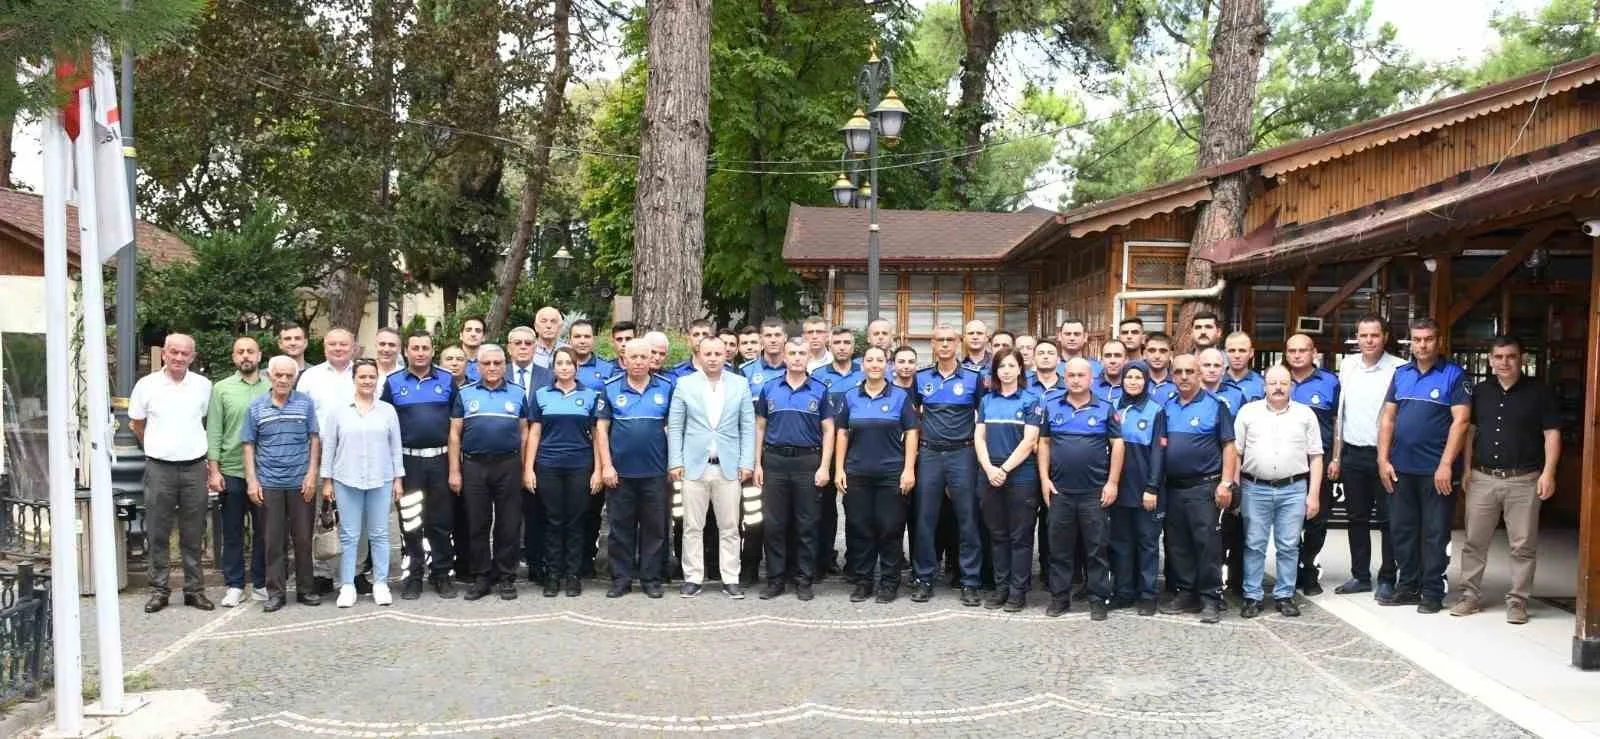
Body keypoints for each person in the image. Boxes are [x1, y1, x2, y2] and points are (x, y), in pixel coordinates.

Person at [1454, 336, 1560, 624]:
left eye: (1511, 356)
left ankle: (1518, 601)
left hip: (1524, 480)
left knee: (1523, 545)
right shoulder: (1479, 392)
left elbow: (1552, 434)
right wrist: (1465, 470)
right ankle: (1469, 596)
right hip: (1482, 477)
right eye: (1498, 357)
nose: (1504, 362)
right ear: (1490, 360)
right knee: (1474, 541)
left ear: (1521, 359)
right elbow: (1470, 433)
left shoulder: (1540, 392)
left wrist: (1548, 472)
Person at [1378, 318, 1471, 614]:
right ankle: (1407, 586)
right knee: (1402, 531)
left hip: (1436, 472)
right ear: (1410, 342)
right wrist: (1382, 459)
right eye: (1417, 340)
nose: (1422, 345)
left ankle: (1432, 591)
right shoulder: (1401, 374)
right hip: (1401, 468)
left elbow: (1462, 421)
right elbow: (1388, 419)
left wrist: (1446, 464)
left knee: (1435, 532)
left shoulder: (1454, 375)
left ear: (1438, 341)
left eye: (1428, 339)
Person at [131, 333, 216, 613]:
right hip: (159, 468)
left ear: (192, 357)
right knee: (158, 531)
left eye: (185, 353)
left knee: (193, 532)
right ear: (164, 354)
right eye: (174, 352)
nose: (179, 357)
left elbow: (206, 422)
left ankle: (194, 590)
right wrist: (156, 447)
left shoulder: (203, 386)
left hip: (194, 467)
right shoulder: (147, 385)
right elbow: (137, 424)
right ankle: (159, 589)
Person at [668, 337, 756, 598]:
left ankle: (731, 578)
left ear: (726, 355)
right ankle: (693, 577)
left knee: (729, 526)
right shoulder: (684, 384)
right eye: (708, 353)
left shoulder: (740, 384)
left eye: (719, 353)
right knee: (692, 526)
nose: (714, 358)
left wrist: (746, 462)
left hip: (728, 466)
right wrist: (676, 461)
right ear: (699, 354)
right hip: (694, 467)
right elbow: (676, 426)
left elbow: (748, 426)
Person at [1234, 366, 1324, 618]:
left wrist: (1313, 494)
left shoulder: (1305, 415)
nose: (1278, 387)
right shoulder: (1248, 413)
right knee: (1254, 544)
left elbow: (1316, 456)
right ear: (1264, 386)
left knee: (1289, 545)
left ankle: (1285, 595)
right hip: (1255, 487)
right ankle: (1252, 596)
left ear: (1291, 386)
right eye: (1272, 382)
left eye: (1283, 383)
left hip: (1293, 489)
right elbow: (1236, 453)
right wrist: (1235, 490)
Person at [834, 345, 920, 604]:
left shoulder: (900, 397)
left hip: (891, 474)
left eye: (879, 360)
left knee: (890, 529)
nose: (874, 364)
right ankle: (863, 581)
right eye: (869, 360)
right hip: (858, 473)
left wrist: (908, 469)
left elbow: (913, 433)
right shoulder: (850, 397)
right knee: (861, 529)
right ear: (863, 366)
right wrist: (839, 469)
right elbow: (842, 434)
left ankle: (889, 582)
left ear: (887, 365)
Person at [1038, 357, 1121, 620]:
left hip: (1094, 492)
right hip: (1060, 491)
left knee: (1096, 549)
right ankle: (1059, 598)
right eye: (1070, 375)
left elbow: (1118, 445)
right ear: (1065, 377)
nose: (1075, 380)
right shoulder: (1052, 407)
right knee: (1059, 549)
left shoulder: (1105, 408)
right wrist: (1044, 479)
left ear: (1091, 379)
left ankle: (1099, 598)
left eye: (1080, 375)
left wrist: (1113, 482)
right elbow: (1044, 443)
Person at [1158, 354, 1238, 624]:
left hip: (1204, 487)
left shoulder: (1216, 406)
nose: (1183, 376)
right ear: (1172, 375)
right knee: (1178, 544)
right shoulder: (1167, 407)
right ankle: (1186, 593)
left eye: (1189, 371)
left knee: (1206, 545)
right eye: (1178, 371)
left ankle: (1211, 598)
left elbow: (1229, 446)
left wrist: (1226, 483)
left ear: (1199, 374)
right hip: (1174, 488)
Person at [1329, 314, 1404, 599]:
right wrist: (1337, 457)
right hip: (1353, 454)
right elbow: (1341, 414)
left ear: (1385, 336)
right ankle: (1360, 575)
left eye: (1374, 335)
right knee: (1356, 517)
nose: (1369, 341)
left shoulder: (1399, 368)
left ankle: (1388, 577)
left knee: (1388, 520)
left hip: (1386, 456)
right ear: (1356, 338)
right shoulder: (1347, 366)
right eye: (1363, 335)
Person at [381, 331, 460, 599]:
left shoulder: (448, 380)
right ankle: (414, 576)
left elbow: (456, 426)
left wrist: (454, 468)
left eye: (425, 347)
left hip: (439, 460)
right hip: (409, 462)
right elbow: (385, 425)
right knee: (411, 521)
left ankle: (442, 574)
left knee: (440, 522)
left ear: (432, 350)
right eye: (415, 348)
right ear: (406, 351)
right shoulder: (393, 383)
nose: (420, 352)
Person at [754, 338, 835, 601]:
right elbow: (760, 427)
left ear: (809, 356)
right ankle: (776, 579)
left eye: (802, 353)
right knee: (774, 525)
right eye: (793, 353)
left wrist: (824, 466)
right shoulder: (770, 388)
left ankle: (804, 580)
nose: (797, 357)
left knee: (807, 524)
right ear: (785, 357)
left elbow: (829, 430)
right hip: (775, 462)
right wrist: (757, 463)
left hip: (807, 463)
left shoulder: (820, 390)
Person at [449, 345, 531, 601]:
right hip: (474, 465)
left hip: (509, 465)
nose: (493, 368)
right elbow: (454, 435)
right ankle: (482, 576)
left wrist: (525, 466)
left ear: (505, 365)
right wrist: (455, 471)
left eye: (497, 363)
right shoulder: (465, 393)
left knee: (509, 524)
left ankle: (506, 576)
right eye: (487, 363)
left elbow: (525, 432)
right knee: (477, 522)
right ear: (478, 366)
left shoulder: (518, 393)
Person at [911, 323, 985, 605]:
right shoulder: (921, 379)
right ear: (932, 343)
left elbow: (982, 414)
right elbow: (914, 416)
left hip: (962, 454)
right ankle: (924, 578)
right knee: (925, 519)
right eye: (939, 340)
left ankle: (970, 581)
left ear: (958, 343)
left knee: (967, 519)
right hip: (930, 454)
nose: (944, 344)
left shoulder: (973, 378)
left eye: (949, 340)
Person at [320, 359, 404, 608]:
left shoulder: (387, 410)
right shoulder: (338, 411)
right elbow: (330, 448)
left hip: (381, 479)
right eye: (362, 376)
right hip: (347, 479)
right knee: (349, 535)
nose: (367, 381)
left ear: (377, 379)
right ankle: (347, 585)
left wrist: (398, 479)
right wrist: (327, 481)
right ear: (354, 379)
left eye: (371, 376)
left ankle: (380, 583)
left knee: (379, 534)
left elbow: (395, 447)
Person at [241, 356, 321, 611]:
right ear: (269, 376)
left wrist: (311, 475)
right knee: (272, 541)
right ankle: (276, 592)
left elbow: (314, 439)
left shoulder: (306, 404)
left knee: (304, 539)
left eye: (289, 376)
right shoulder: (256, 407)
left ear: (295, 378)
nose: (284, 380)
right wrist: (252, 481)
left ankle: (306, 589)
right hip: (269, 483)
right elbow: (248, 445)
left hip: (300, 483)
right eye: (279, 375)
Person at [596, 339, 674, 598]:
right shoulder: (609, 388)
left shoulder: (666, 387)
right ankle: (621, 579)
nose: (639, 362)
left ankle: (651, 579)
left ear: (652, 359)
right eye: (634, 357)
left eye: (644, 357)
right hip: (621, 473)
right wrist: (606, 465)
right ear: (624, 360)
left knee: (654, 529)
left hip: (655, 472)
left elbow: (674, 428)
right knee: (620, 529)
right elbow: (601, 430)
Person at [524, 347, 602, 598]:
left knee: (576, 522)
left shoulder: (590, 396)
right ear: (553, 367)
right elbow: (534, 433)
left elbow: (597, 436)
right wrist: (528, 469)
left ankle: (573, 575)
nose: (565, 367)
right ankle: (553, 576)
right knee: (553, 521)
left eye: (569, 363)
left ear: (576, 367)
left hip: (580, 466)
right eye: (560, 362)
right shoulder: (542, 394)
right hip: (548, 466)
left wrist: (598, 470)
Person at [975, 349, 1043, 612]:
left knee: (1021, 537)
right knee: (998, 535)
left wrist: (1003, 469)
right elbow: (979, 438)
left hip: (1020, 476)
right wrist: (990, 469)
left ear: (1020, 370)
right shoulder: (987, 401)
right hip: (989, 475)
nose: (1005, 370)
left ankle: (1018, 591)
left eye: (1011, 365)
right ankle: (1001, 588)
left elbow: (1029, 442)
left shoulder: (1030, 399)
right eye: (1001, 366)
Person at [207, 336, 270, 607]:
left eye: (250, 351)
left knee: (264, 531)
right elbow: (214, 431)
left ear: (259, 355)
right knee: (232, 531)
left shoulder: (273, 386)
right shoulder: (221, 389)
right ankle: (234, 584)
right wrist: (214, 470)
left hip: (266, 471)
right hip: (231, 470)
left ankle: (260, 582)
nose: (246, 356)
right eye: (240, 352)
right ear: (234, 357)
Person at [296, 327, 358, 594]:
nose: (338, 348)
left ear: (353, 347)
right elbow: (301, 416)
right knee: (319, 514)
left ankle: (353, 571)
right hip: (318, 453)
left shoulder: (365, 374)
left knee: (354, 515)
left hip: (355, 453)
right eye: (332, 344)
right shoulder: (310, 377)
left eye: (343, 344)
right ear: (324, 348)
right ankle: (320, 572)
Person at [1108, 361, 1164, 616]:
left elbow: (1157, 453)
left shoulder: (1155, 410)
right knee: (1120, 542)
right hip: (1118, 487)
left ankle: (1147, 594)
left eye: (1138, 377)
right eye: (1128, 377)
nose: (1132, 382)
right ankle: (1123, 591)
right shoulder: (1113, 408)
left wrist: (1152, 487)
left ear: (1146, 381)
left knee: (1147, 543)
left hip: (1144, 489)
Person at [1285, 333, 1339, 596]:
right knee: (1289, 521)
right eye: (1292, 350)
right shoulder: (1278, 381)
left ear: (1313, 352)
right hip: (1286, 464)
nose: (1297, 355)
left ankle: (1309, 569)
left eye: (1302, 350)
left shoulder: (1330, 382)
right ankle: (1291, 570)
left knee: (1316, 520)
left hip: (1320, 461)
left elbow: (1340, 421)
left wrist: (1337, 457)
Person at [810, 327, 862, 578]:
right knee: (825, 508)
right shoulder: (818, 376)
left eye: (847, 342)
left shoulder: (863, 373)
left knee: (855, 509)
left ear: (854, 346)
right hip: (827, 450)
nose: (842, 346)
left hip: (858, 450)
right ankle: (824, 558)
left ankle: (855, 561)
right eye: (837, 342)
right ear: (830, 346)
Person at [508, 325, 556, 584]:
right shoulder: (496, 371)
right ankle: (507, 565)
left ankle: (538, 564)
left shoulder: (549, 377)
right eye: (518, 343)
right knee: (506, 514)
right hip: (503, 455)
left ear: (535, 348)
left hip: (539, 457)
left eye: (528, 343)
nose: (524, 347)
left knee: (537, 513)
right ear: (509, 347)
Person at [570, 319, 616, 391]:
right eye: (577, 336)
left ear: (593, 339)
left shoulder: (608, 369)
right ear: (570, 340)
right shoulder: (560, 366)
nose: (582, 341)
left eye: (587, 336)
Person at [743, 318, 788, 386]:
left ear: (785, 337)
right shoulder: (746, 370)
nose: (773, 340)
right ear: (760, 339)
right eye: (768, 335)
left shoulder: (796, 367)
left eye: (777, 335)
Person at [1198, 348, 1244, 413]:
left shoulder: (1237, 395)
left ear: (1223, 370)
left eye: (1217, 366)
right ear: (1198, 368)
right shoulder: (1188, 393)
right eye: (1207, 365)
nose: (1212, 370)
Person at [1222, 332, 1265, 402]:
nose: (1237, 356)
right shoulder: (1215, 381)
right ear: (1225, 353)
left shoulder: (1262, 383)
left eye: (1242, 351)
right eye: (1232, 351)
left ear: (1251, 353)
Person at [1142, 333, 1177, 403]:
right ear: (1144, 354)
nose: (1157, 356)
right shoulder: (1136, 382)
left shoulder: (1178, 383)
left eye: (1163, 351)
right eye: (1152, 351)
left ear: (1170, 355)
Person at [459, 316, 487, 382]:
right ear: (461, 335)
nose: (473, 334)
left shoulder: (491, 363)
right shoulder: (451, 362)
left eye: (478, 331)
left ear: (484, 337)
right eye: (468, 330)